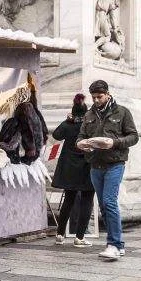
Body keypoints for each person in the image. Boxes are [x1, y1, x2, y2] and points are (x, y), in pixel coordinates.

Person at [77, 80, 139, 261]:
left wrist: (115, 142)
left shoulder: (122, 112)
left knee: (109, 201)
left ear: (107, 94)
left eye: (99, 97)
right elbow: (81, 136)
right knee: (104, 205)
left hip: (115, 164)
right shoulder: (89, 115)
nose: (96, 100)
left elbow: (134, 137)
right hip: (95, 165)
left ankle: (113, 244)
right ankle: (118, 245)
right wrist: (81, 144)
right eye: (93, 97)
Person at [51, 94, 95, 248]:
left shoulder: (68, 124)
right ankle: (80, 237)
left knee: (68, 200)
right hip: (87, 167)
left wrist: (67, 120)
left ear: (73, 111)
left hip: (69, 167)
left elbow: (56, 135)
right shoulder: (90, 125)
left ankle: (60, 234)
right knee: (87, 200)